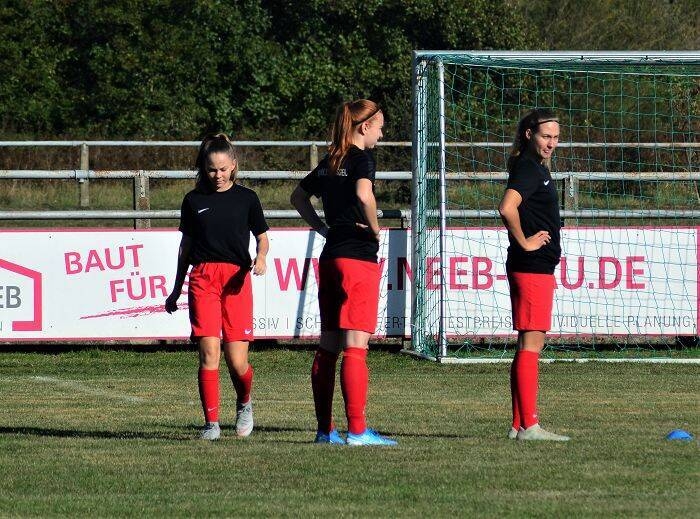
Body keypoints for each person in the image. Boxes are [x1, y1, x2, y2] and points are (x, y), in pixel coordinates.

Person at [290, 99, 397, 446]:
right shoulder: (361, 159)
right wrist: (375, 228)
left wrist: (322, 228)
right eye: (380, 127)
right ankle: (358, 431)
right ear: (364, 127)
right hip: (356, 258)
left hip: (331, 256)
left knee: (328, 345)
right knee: (355, 346)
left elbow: (297, 197)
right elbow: (364, 195)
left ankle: (325, 431)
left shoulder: (330, 161)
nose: (382, 134)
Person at [165, 133, 269, 441]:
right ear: (204, 168)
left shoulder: (247, 198)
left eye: (223, 169)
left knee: (237, 362)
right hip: (203, 280)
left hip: (236, 281)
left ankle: (244, 402)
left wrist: (261, 257)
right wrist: (176, 288)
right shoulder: (193, 200)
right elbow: (185, 249)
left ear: (233, 165)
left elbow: (262, 238)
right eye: (212, 169)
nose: (218, 175)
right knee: (209, 354)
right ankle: (211, 425)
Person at [498, 108, 570, 442]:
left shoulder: (534, 167)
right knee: (531, 344)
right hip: (532, 267)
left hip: (534, 267)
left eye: (556, 137)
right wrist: (525, 242)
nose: (551, 143)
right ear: (529, 135)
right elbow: (506, 207)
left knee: (527, 343)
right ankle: (530, 426)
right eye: (546, 136)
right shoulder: (528, 168)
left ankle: (519, 425)